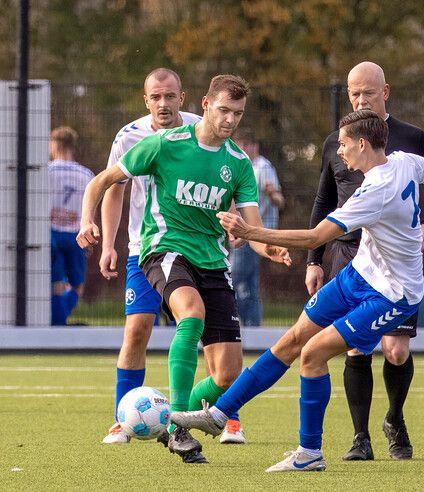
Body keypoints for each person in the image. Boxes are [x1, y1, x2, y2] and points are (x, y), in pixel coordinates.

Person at [171, 109, 424, 472]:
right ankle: (219, 415)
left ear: (363, 144)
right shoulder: (405, 160)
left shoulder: (375, 191)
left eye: (345, 145)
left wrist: (251, 231)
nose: (340, 152)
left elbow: (314, 237)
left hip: (393, 294)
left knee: (312, 354)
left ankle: (310, 453)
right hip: (359, 276)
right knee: (291, 341)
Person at [78, 74, 291, 463]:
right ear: (206, 104)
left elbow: (252, 225)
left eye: (238, 114)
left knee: (227, 375)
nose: (229, 120)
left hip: (212, 260)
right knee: (188, 314)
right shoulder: (164, 143)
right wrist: (87, 222)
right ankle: (176, 428)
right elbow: (103, 182)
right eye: (224, 110)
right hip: (163, 250)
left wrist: (267, 247)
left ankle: (175, 415)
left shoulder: (240, 164)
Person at [306, 61, 424, 461]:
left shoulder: (413, 140)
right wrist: (314, 261)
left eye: (368, 92)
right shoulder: (338, 141)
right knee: (354, 348)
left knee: (397, 351)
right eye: (354, 93)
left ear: (385, 93)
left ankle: (395, 419)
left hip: (396, 256)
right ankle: (359, 438)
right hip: (350, 254)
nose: (360, 99)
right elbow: (323, 201)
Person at [100, 68, 209, 443]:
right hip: (144, 249)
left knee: (209, 333)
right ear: (145, 100)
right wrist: (108, 243)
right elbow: (113, 188)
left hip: (197, 251)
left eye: (170, 96)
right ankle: (121, 420)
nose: (163, 103)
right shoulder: (129, 136)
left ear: (184, 97)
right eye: (155, 97)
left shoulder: (201, 128)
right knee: (137, 329)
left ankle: (227, 416)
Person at [231, 128, 285, 327]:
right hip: (246, 232)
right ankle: (252, 325)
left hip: (254, 233)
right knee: (248, 283)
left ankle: (237, 321)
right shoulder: (241, 165)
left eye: (247, 145)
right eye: (240, 145)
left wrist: (273, 194)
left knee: (233, 278)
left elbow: (280, 200)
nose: (244, 149)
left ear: (255, 146)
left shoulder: (262, 167)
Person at [48, 126, 94, 325]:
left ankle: (57, 324)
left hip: (52, 233)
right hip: (76, 234)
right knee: (77, 285)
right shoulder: (87, 175)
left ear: (54, 145)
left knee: (56, 284)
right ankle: (61, 321)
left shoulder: (46, 171)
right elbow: (91, 209)